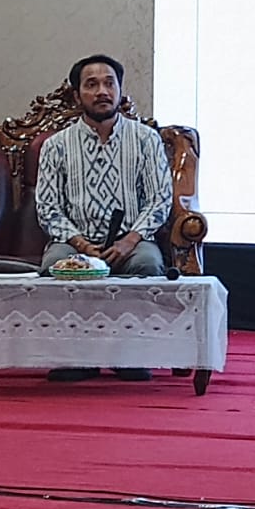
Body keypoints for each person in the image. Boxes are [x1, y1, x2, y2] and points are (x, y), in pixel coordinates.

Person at [34, 54, 174, 382]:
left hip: (131, 241)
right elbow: (47, 207)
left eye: (109, 83)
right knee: (54, 264)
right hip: (75, 243)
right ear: (76, 94)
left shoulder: (146, 139)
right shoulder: (56, 145)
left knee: (147, 264)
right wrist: (81, 245)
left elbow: (160, 199)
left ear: (120, 91)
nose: (102, 91)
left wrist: (130, 240)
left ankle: (129, 355)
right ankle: (75, 357)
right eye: (92, 84)